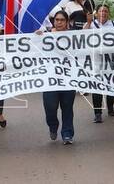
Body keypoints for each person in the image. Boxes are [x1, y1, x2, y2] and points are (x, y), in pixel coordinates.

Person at [38, 11, 76, 144]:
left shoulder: (74, 36)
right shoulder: (45, 35)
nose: (59, 22)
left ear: (67, 22)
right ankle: (53, 126)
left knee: (67, 107)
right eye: (57, 20)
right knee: (50, 107)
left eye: (62, 20)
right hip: (50, 80)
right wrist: (36, 37)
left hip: (68, 80)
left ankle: (67, 133)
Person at [87, 4, 114, 123]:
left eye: (106, 11)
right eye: (101, 11)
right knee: (97, 88)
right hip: (96, 61)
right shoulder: (91, 25)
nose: (103, 13)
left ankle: (110, 106)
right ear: (96, 13)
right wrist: (88, 22)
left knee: (111, 86)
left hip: (111, 61)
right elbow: (82, 37)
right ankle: (98, 113)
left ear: (109, 13)